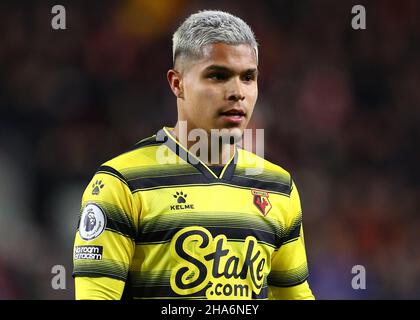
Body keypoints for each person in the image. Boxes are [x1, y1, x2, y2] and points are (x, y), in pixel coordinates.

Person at [73, 10, 315, 300]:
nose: (237, 92)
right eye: (218, 76)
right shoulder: (123, 183)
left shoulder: (278, 187)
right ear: (177, 83)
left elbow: (295, 295)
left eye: (248, 77)